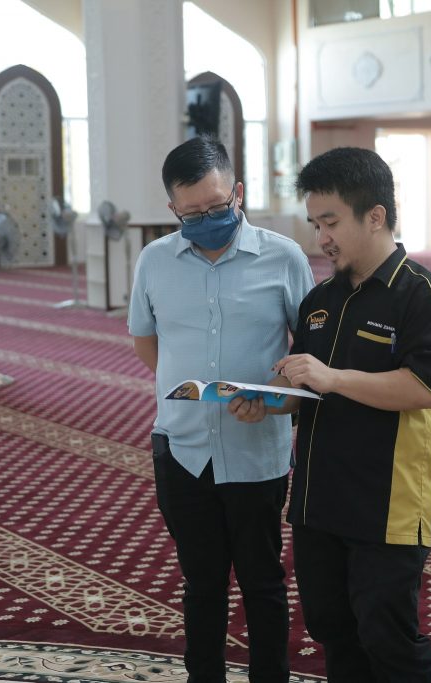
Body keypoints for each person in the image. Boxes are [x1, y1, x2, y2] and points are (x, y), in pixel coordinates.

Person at [237, 146, 431, 682]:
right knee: (332, 628)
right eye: (316, 224)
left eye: (331, 222)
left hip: (388, 502)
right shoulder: (321, 299)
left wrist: (332, 378)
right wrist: (266, 400)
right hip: (319, 500)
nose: (322, 238)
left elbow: (419, 388)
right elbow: (302, 385)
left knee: (387, 635)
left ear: (376, 215)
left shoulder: (424, 297)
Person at [128, 135, 315, 683]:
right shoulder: (155, 261)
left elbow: (308, 353)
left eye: (216, 207)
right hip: (182, 449)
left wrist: (273, 400)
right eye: (192, 214)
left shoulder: (283, 256)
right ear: (173, 208)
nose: (207, 220)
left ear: (237, 193)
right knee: (202, 582)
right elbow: (147, 343)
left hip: (256, 451)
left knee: (262, 581)